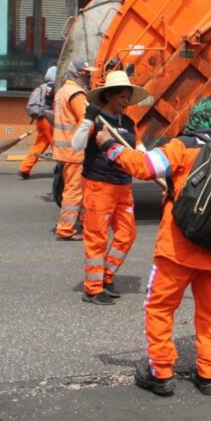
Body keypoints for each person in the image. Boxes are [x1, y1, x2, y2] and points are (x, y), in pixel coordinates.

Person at [94, 97, 211, 397]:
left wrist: (109, 145)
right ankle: (209, 374)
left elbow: (144, 167)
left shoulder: (181, 147)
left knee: (159, 309)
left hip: (178, 250)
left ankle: (161, 373)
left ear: (193, 122)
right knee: (210, 314)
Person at [70, 71, 147, 305]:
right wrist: (86, 120)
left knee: (127, 234)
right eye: (122, 97)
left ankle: (106, 275)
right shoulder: (96, 120)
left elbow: (139, 149)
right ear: (109, 96)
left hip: (123, 185)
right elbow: (76, 145)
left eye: (128, 97)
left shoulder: (129, 123)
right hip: (98, 184)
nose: (125, 101)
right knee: (97, 237)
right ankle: (92, 288)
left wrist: (149, 163)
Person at [51, 60, 95, 241]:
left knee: (80, 190)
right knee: (75, 191)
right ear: (77, 74)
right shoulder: (77, 94)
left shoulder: (63, 91)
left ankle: (85, 224)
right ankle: (65, 228)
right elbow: (86, 122)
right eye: (85, 73)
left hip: (66, 149)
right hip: (75, 151)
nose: (89, 76)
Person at [18, 66, 57, 179]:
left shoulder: (41, 87)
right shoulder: (54, 87)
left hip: (40, 120)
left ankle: (24, 168)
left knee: (39, 145)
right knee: (57, 145)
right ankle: (63, 170)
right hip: (49, 120)